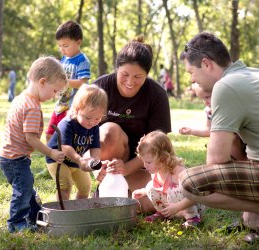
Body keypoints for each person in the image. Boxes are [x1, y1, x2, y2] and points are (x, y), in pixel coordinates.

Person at [179, 32, 259, 243]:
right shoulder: (256, 73)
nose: (192, 79)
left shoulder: (226, 86)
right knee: (236, 146)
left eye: (192, 72)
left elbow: (216, 160)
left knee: (188, 182)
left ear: (206, 64)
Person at [93, 37, 171, 213]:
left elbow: (159, 145)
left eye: (138, 77)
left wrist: (127, 168)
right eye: (125, 74)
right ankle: (106, 186)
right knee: (109, 131)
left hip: (141, 162)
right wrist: (95, 166)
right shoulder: (100, 88)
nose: (130, 82)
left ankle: (120, 190)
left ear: (147, 75)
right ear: (117, 68)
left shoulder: (156, 94)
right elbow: (81, 132)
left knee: (151, 204)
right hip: (106, 158)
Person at [0, 56, 67, 233]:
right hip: (15, 158)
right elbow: (31, 139)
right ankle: (17, 223)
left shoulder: (22, 98)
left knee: (26, 186)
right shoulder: (32, 107)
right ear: (42, 82)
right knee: (23, 190)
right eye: (55, 91)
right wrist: (51, 152)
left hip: (7, 155)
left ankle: (35, 216)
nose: (54, 96)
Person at [46, 84, 108, 200]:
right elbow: (65, 147)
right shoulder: (67, 124)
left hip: (76, 162)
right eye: (88, 118)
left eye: (97, 118)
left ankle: (78, 211)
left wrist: (95, 162)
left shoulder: (94, 127)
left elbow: (95, 148)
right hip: (58, 160)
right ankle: (62, 213)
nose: (92, 122)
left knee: (85, 187)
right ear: (77, 109)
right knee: (65, 186)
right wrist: (80, 160)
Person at [132, 131, 204, 228]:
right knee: (150, 187)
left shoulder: (178, 172)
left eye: (148, 162)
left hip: (191, 205)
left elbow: (195, 195)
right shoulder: (157, 172)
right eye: (143, 161)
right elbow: (162, 189)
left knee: (174, 190)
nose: (145, 166)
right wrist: (143, 192)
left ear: (162, 159)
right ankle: (164, 213)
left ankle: (193, 218)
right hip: (173, 209)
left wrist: (177, 207)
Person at [45, 20, 91, 144]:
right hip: (60, 104)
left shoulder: (82, 61)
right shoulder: (64, 59)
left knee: (67, 135)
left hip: (73, 107)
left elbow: (83, 83)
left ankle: (66, 159)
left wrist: (64, 82)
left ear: (78, 42)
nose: (62, 49)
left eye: (65, 46)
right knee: (50, 133)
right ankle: (52, 158)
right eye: (60, 46)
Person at [179, 83, 247, 161]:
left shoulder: (228, 107)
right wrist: (191, 131)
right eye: (202, 99)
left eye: (207, 97)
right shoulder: (209, 112)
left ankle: (242, 164)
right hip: (226, 143)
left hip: (240, 141)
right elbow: (209, 130)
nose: (205, 102)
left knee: (233, 139)